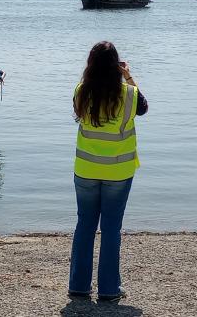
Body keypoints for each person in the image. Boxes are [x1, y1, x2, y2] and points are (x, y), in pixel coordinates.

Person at [69, 41, 148, 302]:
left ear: (90, 64)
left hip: (86, 168)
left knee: (85, 225)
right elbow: (144, 108)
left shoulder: (81, 91)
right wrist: (128, 76)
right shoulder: (129, 94)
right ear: (116, 65)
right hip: (118, 171)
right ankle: (109, 289)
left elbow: (78, 113)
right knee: (111, 228)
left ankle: (79, 286)